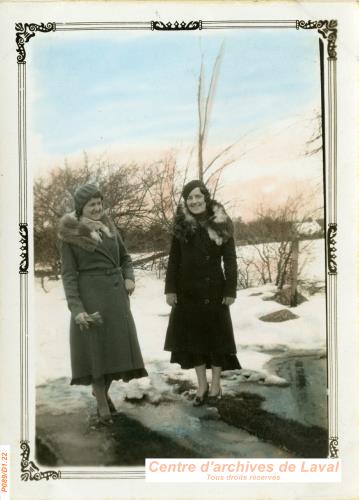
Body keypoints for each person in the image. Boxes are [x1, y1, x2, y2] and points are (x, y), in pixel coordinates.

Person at [58, 183, 147, 425]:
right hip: (91, 298)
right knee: (96, 352)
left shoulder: (109, 226)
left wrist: (129, 276)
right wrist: (76, 309)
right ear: (81, 208)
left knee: (115, 350)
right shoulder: (70, 236)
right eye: (91, 205)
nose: (97, 208)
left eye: (99, 203)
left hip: (117, 299)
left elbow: (126, 257)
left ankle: (101, 392)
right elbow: (68, 275)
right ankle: (101, 405)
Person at [164, 180, 241, 406]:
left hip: (214, 291)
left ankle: (216, 383)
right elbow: (174, 260)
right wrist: (170, 289)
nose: (194, 201)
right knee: (194, 341)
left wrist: (230, 289)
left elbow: (230, 260)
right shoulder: (181, 226)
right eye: (190, 198)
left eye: (198, 197)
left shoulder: (221, 223)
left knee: (217, 340)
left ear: (206, 198)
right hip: (188, 292)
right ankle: (202, 384)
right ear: (185, 202)